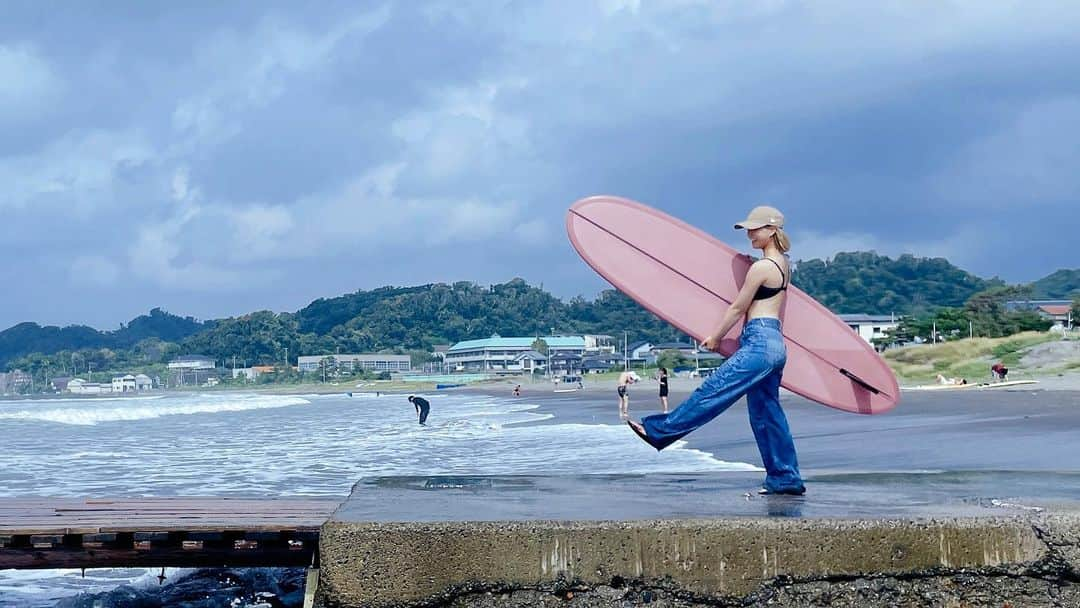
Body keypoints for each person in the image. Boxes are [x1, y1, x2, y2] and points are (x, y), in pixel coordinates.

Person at [627, 205, 805, 496]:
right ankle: (785, 478)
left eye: (755, 228)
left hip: (758, 342)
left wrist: (715, 337)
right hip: (775, 342)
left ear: (772, 230)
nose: (749, 233)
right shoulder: (783, 265)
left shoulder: (761, 268)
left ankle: (659, 431)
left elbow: (738, 307)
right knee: (767, 414)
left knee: (713, 391)